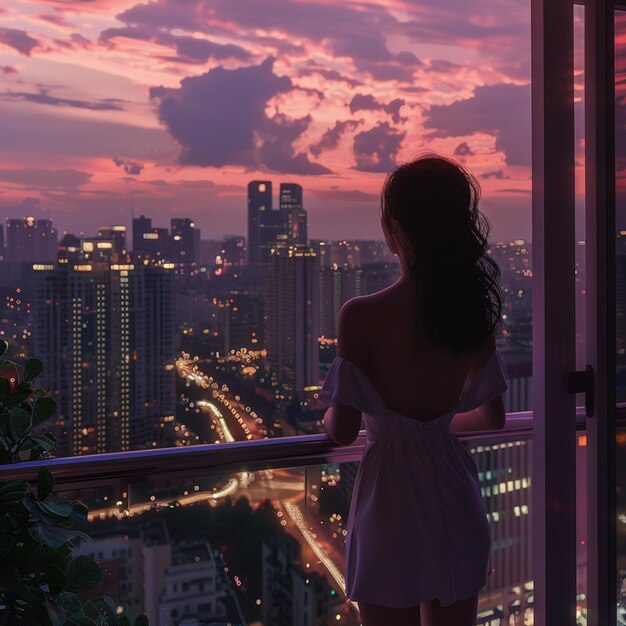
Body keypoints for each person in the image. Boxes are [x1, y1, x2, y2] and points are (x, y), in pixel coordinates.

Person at [320, 154, 509, 626]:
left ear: (395, 228)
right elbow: (493, 417)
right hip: (453, 490)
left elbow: (342, 431)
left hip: (390, 500)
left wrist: (327, 416)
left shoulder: (361, 314)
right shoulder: (472, 312)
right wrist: (433, 427)